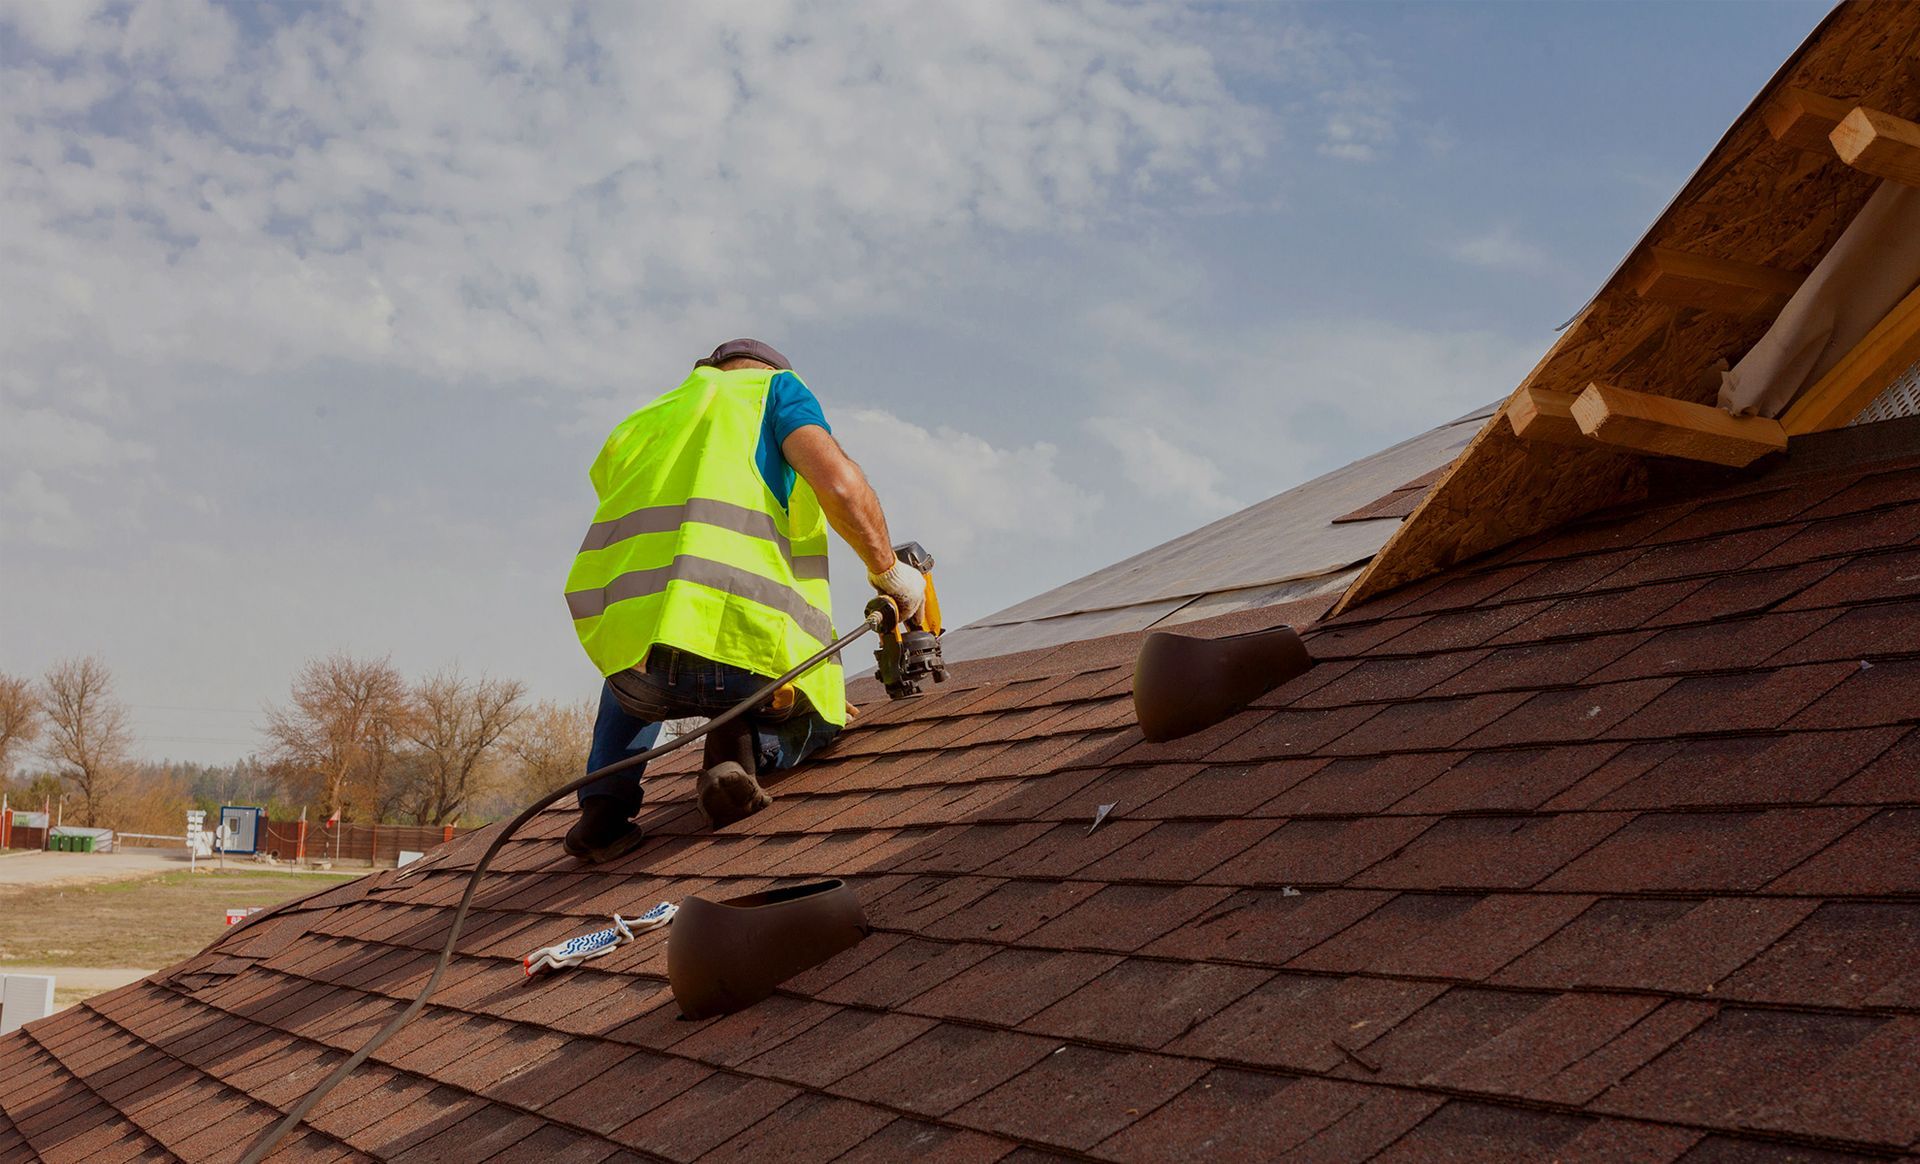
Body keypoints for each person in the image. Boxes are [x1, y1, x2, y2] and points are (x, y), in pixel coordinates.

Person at [561, 338, 926, 862]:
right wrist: (890, 573)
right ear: (766, 371)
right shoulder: (774, 392)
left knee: (639, 661)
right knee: (820, 715)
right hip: (742, 658)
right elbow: (841, 487)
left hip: (634, 661)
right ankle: (735, 756)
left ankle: (602, 813)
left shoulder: (646, 419)